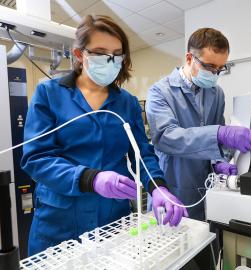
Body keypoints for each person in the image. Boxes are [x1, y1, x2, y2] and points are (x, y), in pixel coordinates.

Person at [21, 15, 187, 256]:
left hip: (112, 217)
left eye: (117, 54)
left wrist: (158, 187)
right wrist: (91, 179)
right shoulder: (49, 94)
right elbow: (36, 158)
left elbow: (143, 155)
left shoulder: (127, 103)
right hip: (59, 220)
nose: (110, 60)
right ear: (79, 55)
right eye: (100, 52)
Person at [146, 28, 251, 269]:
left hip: (205, 193)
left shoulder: (216, 93)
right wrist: (219, 134)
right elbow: (166, 137)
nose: (215, 74)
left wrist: (220, 160)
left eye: (220, 69)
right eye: (209, 67)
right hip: (172, 190)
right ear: (189, 58)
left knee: (206, 260)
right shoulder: (160, 92)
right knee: (171, 261)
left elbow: (215, 139)